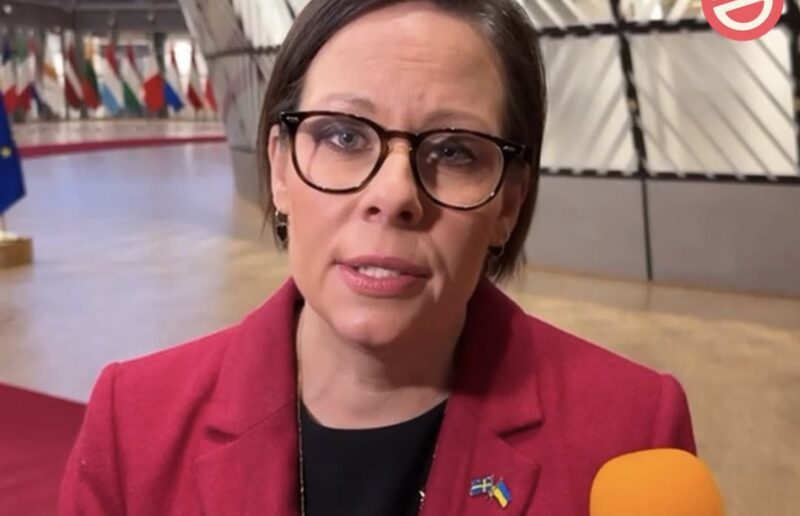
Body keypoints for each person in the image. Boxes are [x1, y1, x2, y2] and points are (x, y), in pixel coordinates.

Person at [59, 1, 696, 515]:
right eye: (344, 135)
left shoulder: (630, 434)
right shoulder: (132, 424)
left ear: (508, 202)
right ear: (279, 169)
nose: (393, 196)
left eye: (454, 151)